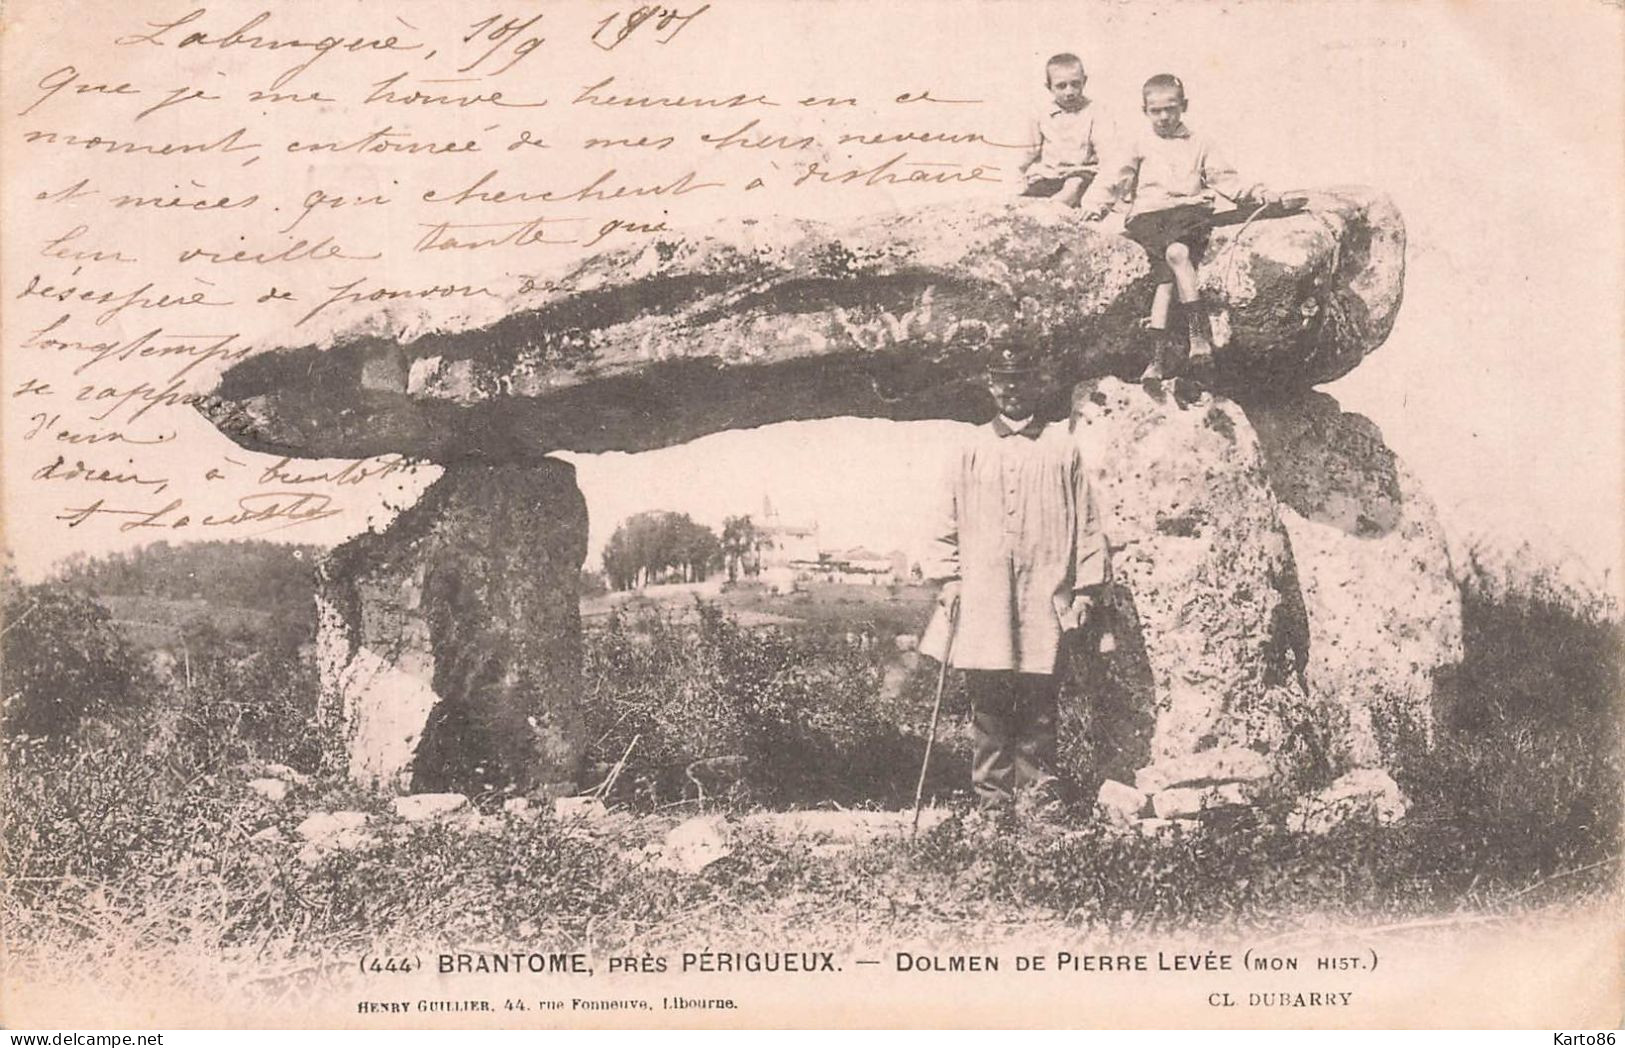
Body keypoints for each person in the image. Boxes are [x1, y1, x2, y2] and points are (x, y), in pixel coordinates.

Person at [919, 340, 1110, 818]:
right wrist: (948, 581)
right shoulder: (969, 448)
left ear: (1036, 385)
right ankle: (992, 811)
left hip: (1045, 597)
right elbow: (944, 521)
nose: (1012, 391)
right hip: (984, 599)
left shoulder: (1062, 448)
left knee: (1040, 709)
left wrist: (1086, 588)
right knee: (988, 709)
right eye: (1003, 382)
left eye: (1021, 381)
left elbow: (1088, 522)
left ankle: (1038, 808)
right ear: (990, 386)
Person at [1084, 73, 1278, 385]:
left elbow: (1225, 178)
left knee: (1172, 262)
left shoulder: (1200, 143)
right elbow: (1114, 177)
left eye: (1170, 109)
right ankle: (1192, 343)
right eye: (1155, 110)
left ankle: (1165, 355)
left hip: (1189, 212)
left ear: (1183, 106)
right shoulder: (1137, 143)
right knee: (1171, 264)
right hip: (1149, 215)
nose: (1163, 117)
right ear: (1144, 110)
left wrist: (1256, 192)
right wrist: (1095, 206)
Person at [1017, 53, 1113, 209]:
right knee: (1030, 194)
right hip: (1050, 175)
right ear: (1049, 87)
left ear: (1084, 81)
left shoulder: (1096, 112)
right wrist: (1017, 179)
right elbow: (1026, 152)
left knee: (1074, 184)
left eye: (1075, 84)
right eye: (1061, 86)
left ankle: (1060, 204)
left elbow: (1107, 153)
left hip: (1081, 174)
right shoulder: (1041, 114)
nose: (1069, 92)